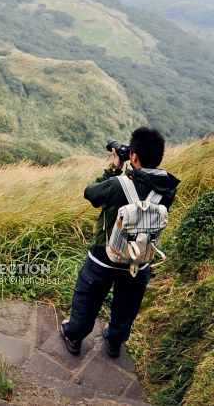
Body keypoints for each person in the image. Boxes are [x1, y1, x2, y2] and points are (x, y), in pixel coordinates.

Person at [60, 127, 180, 358]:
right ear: (160, 156)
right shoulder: (167, 189)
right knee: (128, 303)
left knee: (87, 297)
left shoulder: (117, 184)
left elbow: (91, 193)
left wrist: (114, 169)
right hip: (139, 259)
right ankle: (115, 341)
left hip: (103, 256)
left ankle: (74, 337)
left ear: (133, 156)